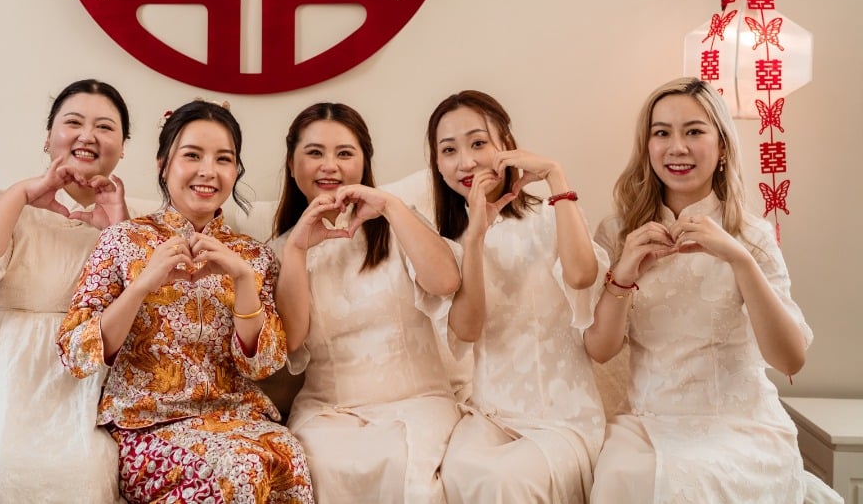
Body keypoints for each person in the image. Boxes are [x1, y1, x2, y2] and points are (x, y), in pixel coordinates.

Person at [585, 78, 842, 504]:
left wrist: (739, 260)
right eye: (661, 132)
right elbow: (600, 349)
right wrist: (625, 271)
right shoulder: (618, 231)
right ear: (647, 146)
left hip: (740, 423)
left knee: (702, 481)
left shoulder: (752, 235)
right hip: (648, 420)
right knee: (623, 478)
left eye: (694, 131)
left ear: (722, 147)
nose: (677, 147)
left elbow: (790, 357)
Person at [57, 99, 313, 504]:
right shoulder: (122, 241)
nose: (208, 171)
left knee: (290, 458)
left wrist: (243, 279)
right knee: (241, 469)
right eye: (192, 155)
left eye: (223, 159)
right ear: (163, 163)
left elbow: (265, 364)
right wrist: (142, 285)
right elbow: (76, 354)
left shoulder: (253, 255)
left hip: (238, 419)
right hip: (146, 428)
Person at [0, 79, 133, 503]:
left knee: (83, 471)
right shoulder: (7, 202)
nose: (88, 135)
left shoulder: (130, 221)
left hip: (78, 378)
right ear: (48, 137)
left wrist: (119, 229)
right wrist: (25, 193)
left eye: (105, 127)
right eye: (73, 122)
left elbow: (144, 316)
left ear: (122, 147)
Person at [268, 102, 462, 503]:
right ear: (291, 164)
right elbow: (290, 339)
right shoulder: (280, 251)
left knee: (397, 460)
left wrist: (390, 206)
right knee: (323, 463)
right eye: (314, 153)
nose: (329, 166)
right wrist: (298, 251)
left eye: (344, 153)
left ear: (364, 162)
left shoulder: (398, 224)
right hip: (329, 411)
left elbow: (446, 282)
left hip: (416, 403)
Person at [432, 90, 607, 504]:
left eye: (478, 143)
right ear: (437, 166)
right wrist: (475, 236)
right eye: (449, 150)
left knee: (506, 482)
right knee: (463, 471)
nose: (466, 162)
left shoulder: (551, 216)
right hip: (490, 417)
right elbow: (469, 329)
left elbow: (582, 276)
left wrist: (557, 177)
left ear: (507, 148)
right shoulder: (446, 246)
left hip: (562, 417)